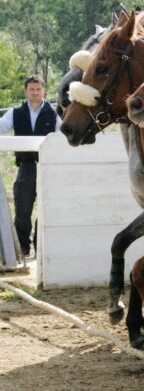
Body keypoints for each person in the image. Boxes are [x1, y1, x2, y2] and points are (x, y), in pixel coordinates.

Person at [0, 75, 61, 257]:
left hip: (47, 166)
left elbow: (61, 137)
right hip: (26, 166)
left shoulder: (53, 113)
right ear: (25, 91)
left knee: (46, 209)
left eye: (38, 89)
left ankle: (41, 251)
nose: (35, 93)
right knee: (22, 209)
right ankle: (23, 250)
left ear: (44, 91)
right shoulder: (15, 112)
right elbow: (1, 126)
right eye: (31, 89)